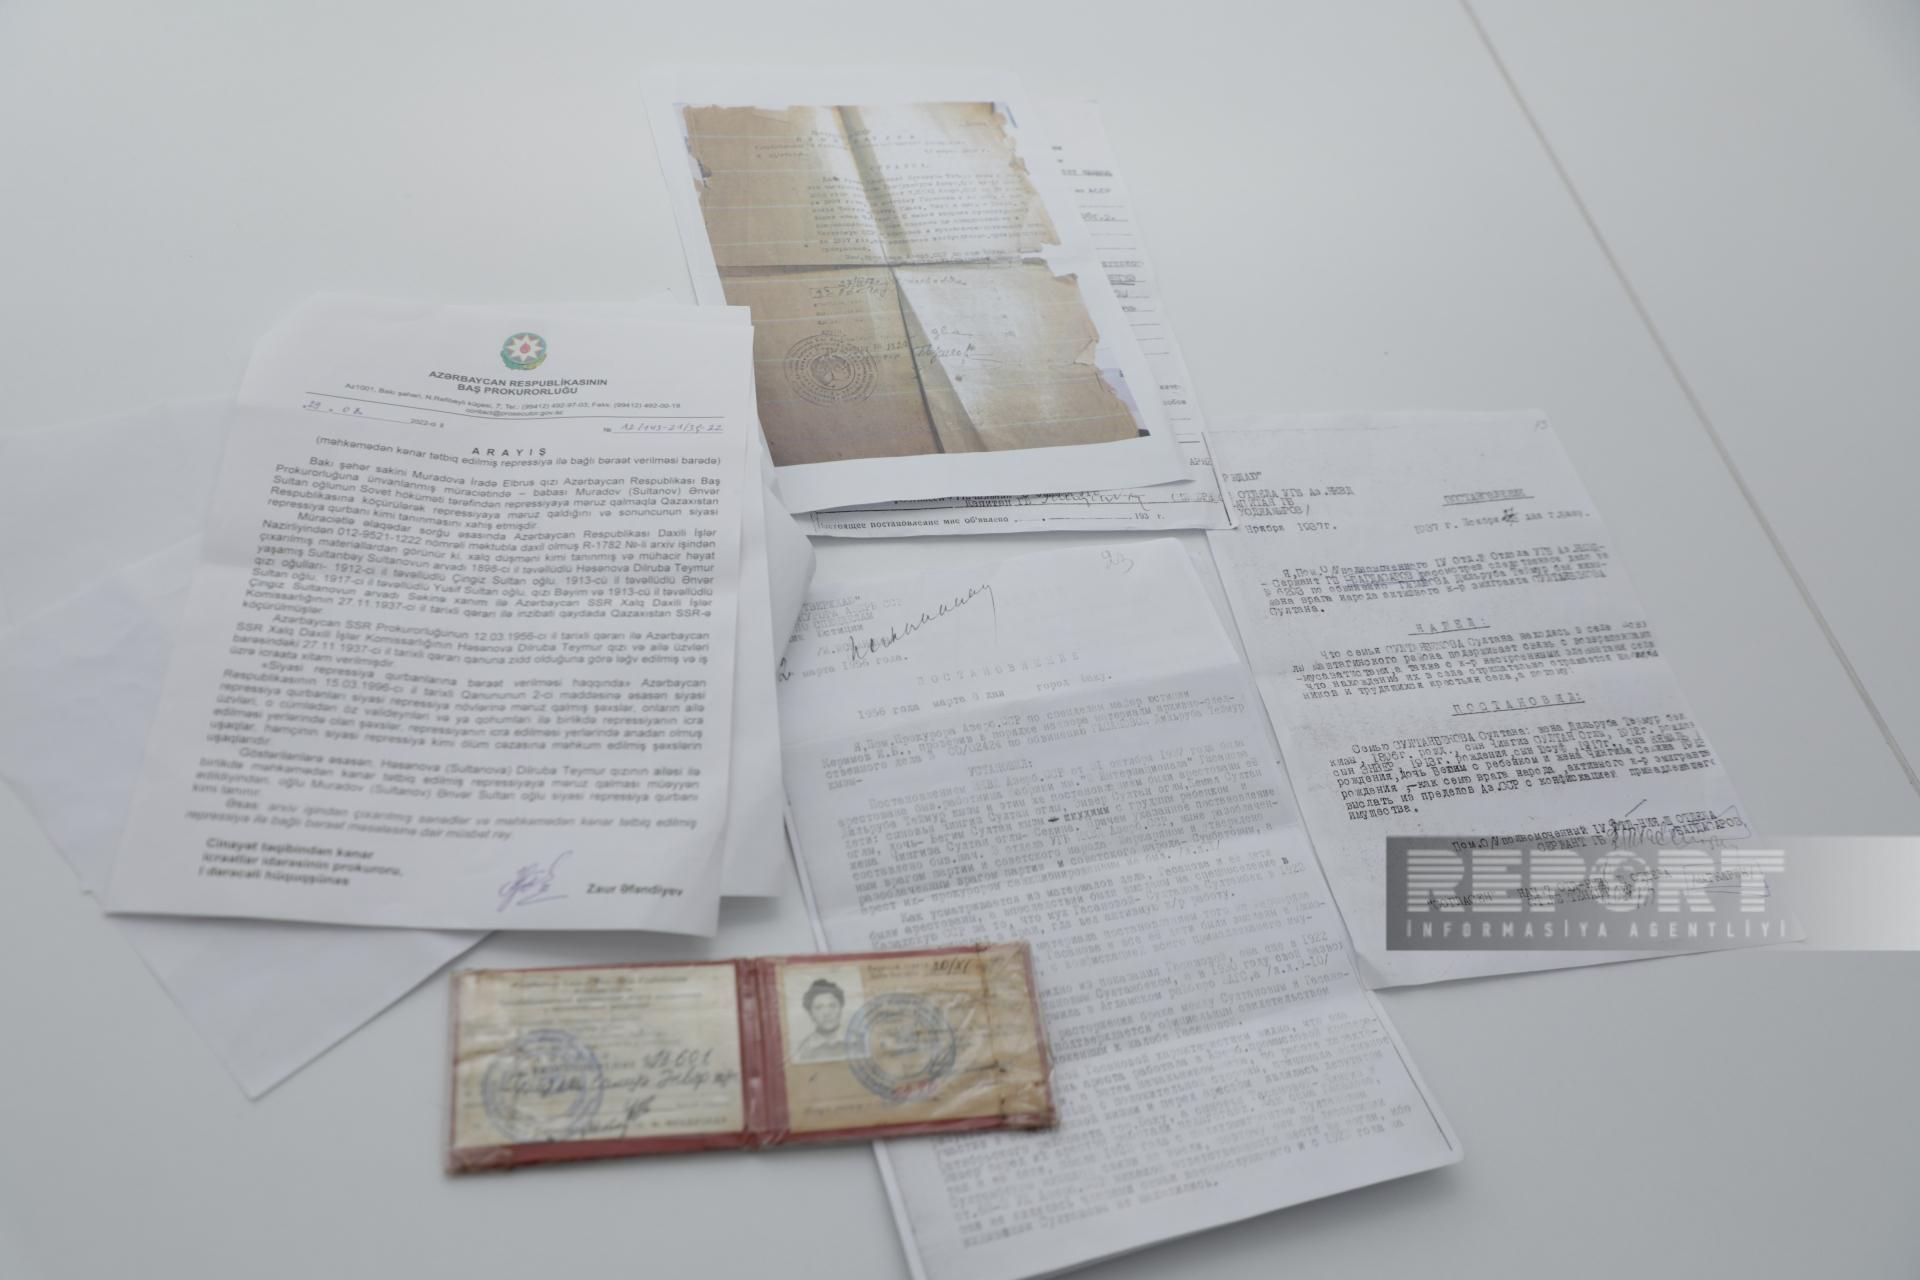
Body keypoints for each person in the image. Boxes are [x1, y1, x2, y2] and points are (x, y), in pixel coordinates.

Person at [793, 978, 848, 1062]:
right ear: (810, 1013)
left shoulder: (859, 1042)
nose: (827, 1013)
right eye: (819, 1007)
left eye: (832, 1006)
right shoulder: (802, 1051)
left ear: (841, 1008)